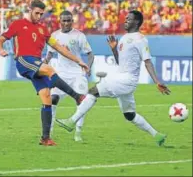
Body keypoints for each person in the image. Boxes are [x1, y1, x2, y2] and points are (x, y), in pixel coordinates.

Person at [56, 10, 171, 146]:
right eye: (126, 18)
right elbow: (120, 62)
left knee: (92, 92)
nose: (126, 20)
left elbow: (147, 61)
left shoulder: (141, 39)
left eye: (129, 19)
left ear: (137, 22)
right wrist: (114, 49)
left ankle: (71, 121)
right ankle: (157, 135)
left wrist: (157, 81)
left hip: (126, 80)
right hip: (123, 79)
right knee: (129, 115)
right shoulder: (124, 38)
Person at [0, 0, 89, 146]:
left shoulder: (43, 29)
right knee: (49, 69)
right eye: (37, 13)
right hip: (24, 61)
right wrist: (1, 49)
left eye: (41, 14)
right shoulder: (18, 24)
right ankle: (77, 97)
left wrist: (79, 61)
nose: (39, 16)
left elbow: (59, 48)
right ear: (30, 10)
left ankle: (45, 138)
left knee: (47, 97)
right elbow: (1, 39)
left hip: (36, 64)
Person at [44, 10, 95, 142]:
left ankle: (78, 132)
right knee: (53, 99)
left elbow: (90, 54)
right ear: (60, 21)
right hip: (60, 74)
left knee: (81, 101)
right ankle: (49, 132)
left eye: (69, 20)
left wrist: (88, 66)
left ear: (72, 21)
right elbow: (50, 53)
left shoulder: (79, 36)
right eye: (64, 20)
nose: (66, 23)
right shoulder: (54, 36)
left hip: (77, 74)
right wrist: (45, 63)